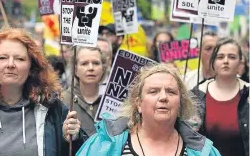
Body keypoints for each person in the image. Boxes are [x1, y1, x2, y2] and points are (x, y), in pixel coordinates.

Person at [0, 27, 86, 156]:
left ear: (31, 66)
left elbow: (81, 151)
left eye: (19, 59)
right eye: (2, 58)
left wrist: (72, 139)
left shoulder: (52, 110)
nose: (10, 64)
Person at [76, 63, 221, 156]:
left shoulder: (204, 151)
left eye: (171, 91)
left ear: (180, 103)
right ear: (138, 103)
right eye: (153, 91)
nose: (163, 97)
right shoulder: (103, 143)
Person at [191, 38, 249, 156]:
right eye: (220, 57)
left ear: (240, 63)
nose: (226, 61)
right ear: (213, 62)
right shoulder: (197, 94)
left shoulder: (248, 94)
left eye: (232, 57)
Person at [62, 46, 107, 137]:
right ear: (75, 70)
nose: (91, 68)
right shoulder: (63, 100)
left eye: (96, 63)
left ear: (103, 68)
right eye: (84, 63)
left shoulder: (112, 99)